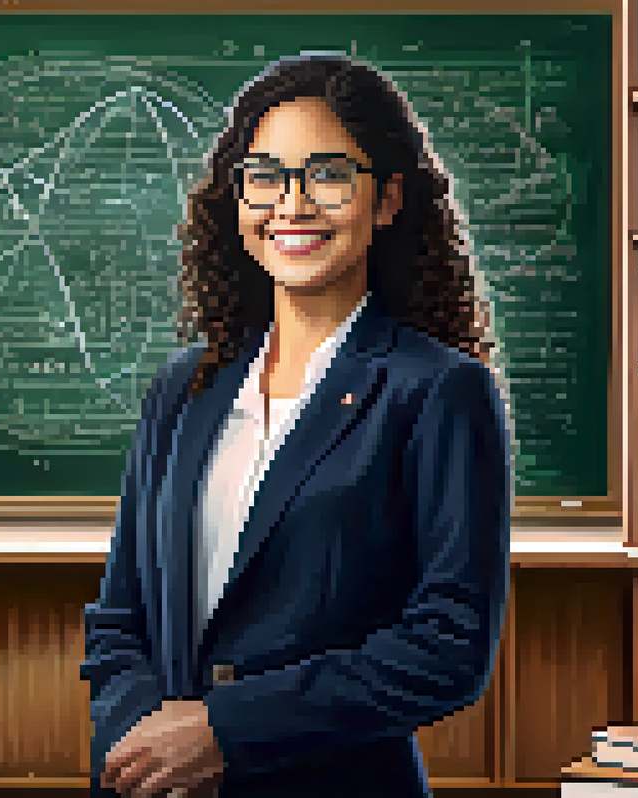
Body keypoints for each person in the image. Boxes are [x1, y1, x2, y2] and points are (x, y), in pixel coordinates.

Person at [79, 52, 513, 798]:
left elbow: (449, 645)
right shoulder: (185, 388)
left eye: (329, 175)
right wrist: (143, 743)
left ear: (387, 199)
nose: (292, 204)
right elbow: (120, 616)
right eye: (265, 176)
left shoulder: (441, 391)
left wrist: (223, 733)